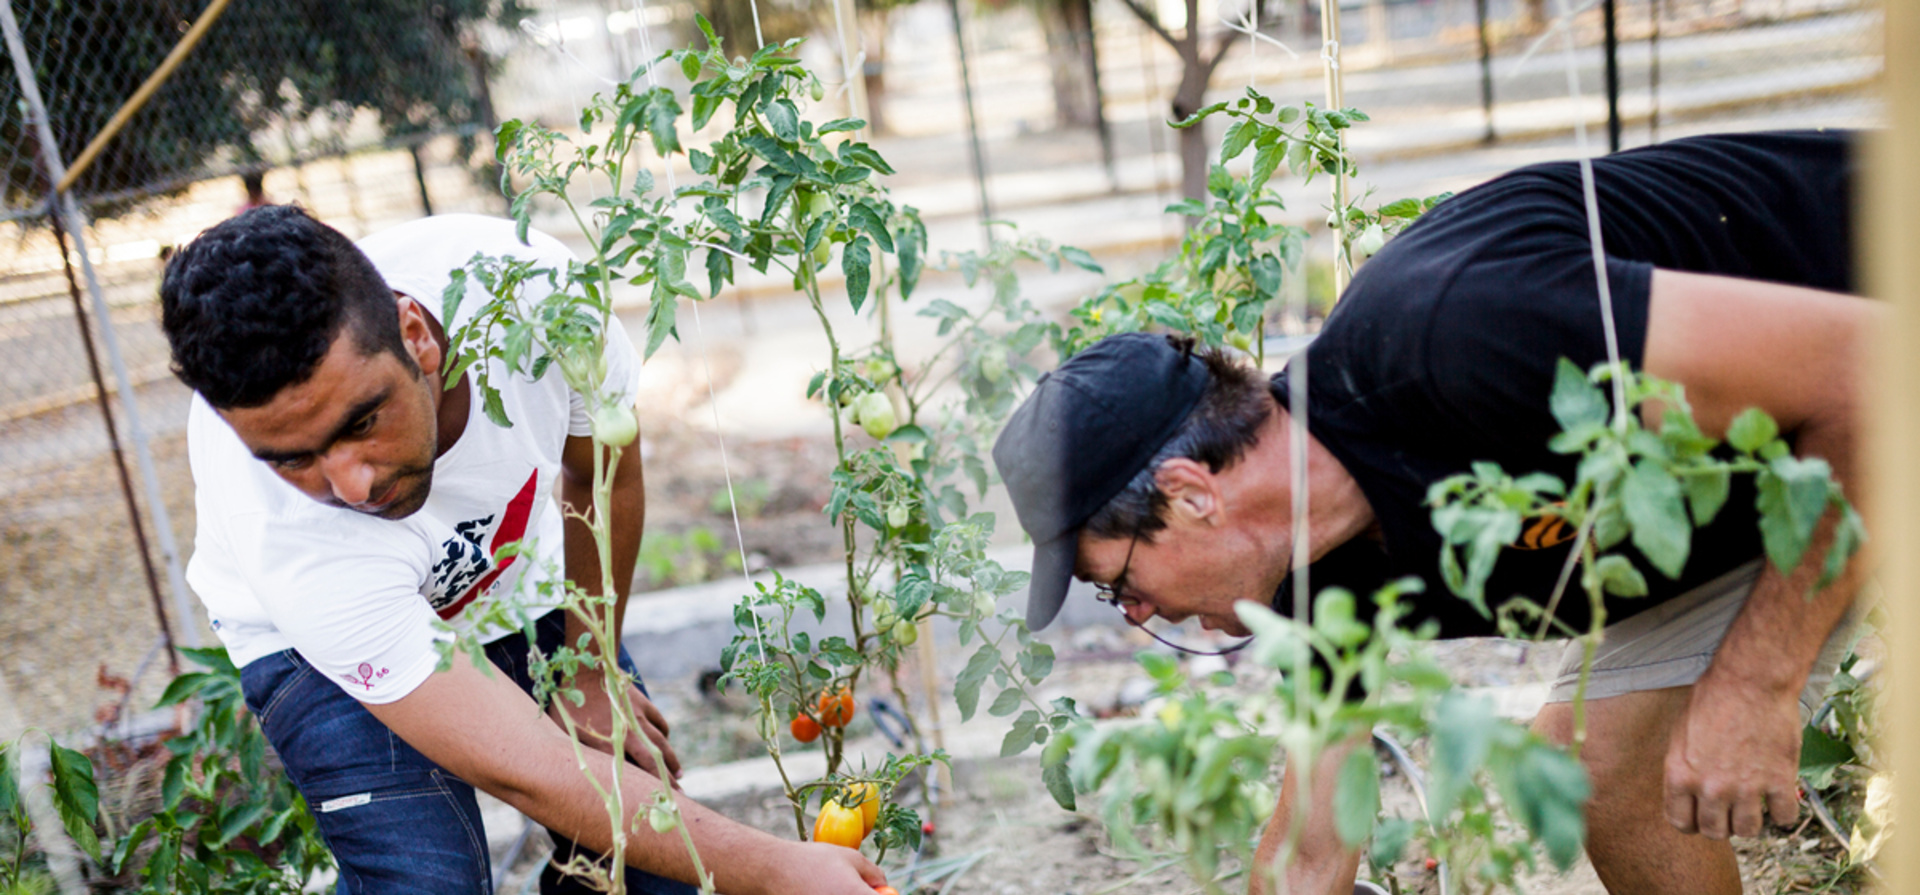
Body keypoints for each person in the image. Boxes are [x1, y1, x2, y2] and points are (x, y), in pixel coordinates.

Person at [992, 130, 1871, 895]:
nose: (1138, 613)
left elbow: (1869, 377)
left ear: (1189, 494)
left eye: (1116, 583)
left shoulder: (1455, 333)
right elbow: (1312, 846)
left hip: (1866, 369)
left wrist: (1758, 683)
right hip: (1768, 473)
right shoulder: (1313, 573)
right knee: (1593, 769)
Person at [160, 206, 889, 895]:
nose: (351, 485)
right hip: (318, 647)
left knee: (647, 866)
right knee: (428, 881)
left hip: (517, 573)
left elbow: (600, 468)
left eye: (363, 420)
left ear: (416, 334)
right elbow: (531, 771)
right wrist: (778, 871)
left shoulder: (538, 297)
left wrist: (594, 671)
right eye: (292, 457)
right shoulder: (285, 529)